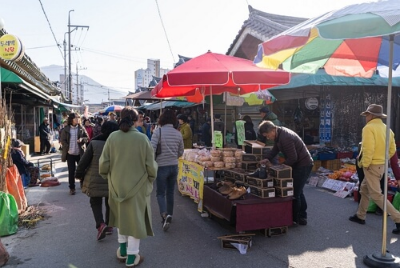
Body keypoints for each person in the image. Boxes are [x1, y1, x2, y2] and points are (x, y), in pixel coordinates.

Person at [99, 106, 157, 266]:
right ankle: (132, 257)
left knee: (120, 217)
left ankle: (122, 249)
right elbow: (151, 166)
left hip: (116, 185)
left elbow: (103, 164)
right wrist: (151, 179)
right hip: (137, 186)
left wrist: (108, 176)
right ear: (135, 121)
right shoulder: (142, 138)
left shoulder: (112, 137)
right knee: (135, 220)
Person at [349, 104, 400, 234]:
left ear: (371, 115)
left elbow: (368, 149)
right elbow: (393, 150)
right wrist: (383, 159)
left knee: (377, 195)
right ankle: (360, 215)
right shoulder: (387, 129)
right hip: (381, 165)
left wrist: (364, 164)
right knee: (364, 189)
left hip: (371, 165)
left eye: (367, 115)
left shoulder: (368, 128)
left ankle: (398, 218)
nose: (366, 117)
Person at [259, 120, 313, 226]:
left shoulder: (285, 137)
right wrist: (267, 158)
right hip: (299, 164)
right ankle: (302, 217)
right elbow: (275, 149)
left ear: (272, 130)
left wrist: (280, 168)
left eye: (267, 135)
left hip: (303, 165)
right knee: (298, 190)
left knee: (295, 193)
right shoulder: (279, 135)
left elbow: (293, 158)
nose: (268, 138)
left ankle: (296, 218)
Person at [75, 121, 119, 241]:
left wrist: (78, 174)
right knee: (110, 202)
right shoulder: (118, 144)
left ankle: (101, 225)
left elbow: (83, 161)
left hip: (95, 178)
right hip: (112, 179)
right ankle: (109, 225)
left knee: (95, 201)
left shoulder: (94, 143)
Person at [151, 109, 184, 231]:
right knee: (170, 192)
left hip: (161, 166)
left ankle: (164, 214)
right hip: (174, 166)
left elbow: (151, 149)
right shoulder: (178, 133)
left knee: (160, 192)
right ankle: (170, 214)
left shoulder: (157, 132)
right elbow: (181, 152)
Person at [61, 113, 89, 195]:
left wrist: (82, 140)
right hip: (70, 153)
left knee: (81, 170)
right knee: (71, 171)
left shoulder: (81, 128)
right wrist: (67, 146)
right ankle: (72, 187)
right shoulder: (66, 129)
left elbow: (87, 138)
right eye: (76, 118)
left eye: (78, 118)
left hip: (79, 153)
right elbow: (62, 140)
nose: (77, 119)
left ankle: (82, 183)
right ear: (71, 119)